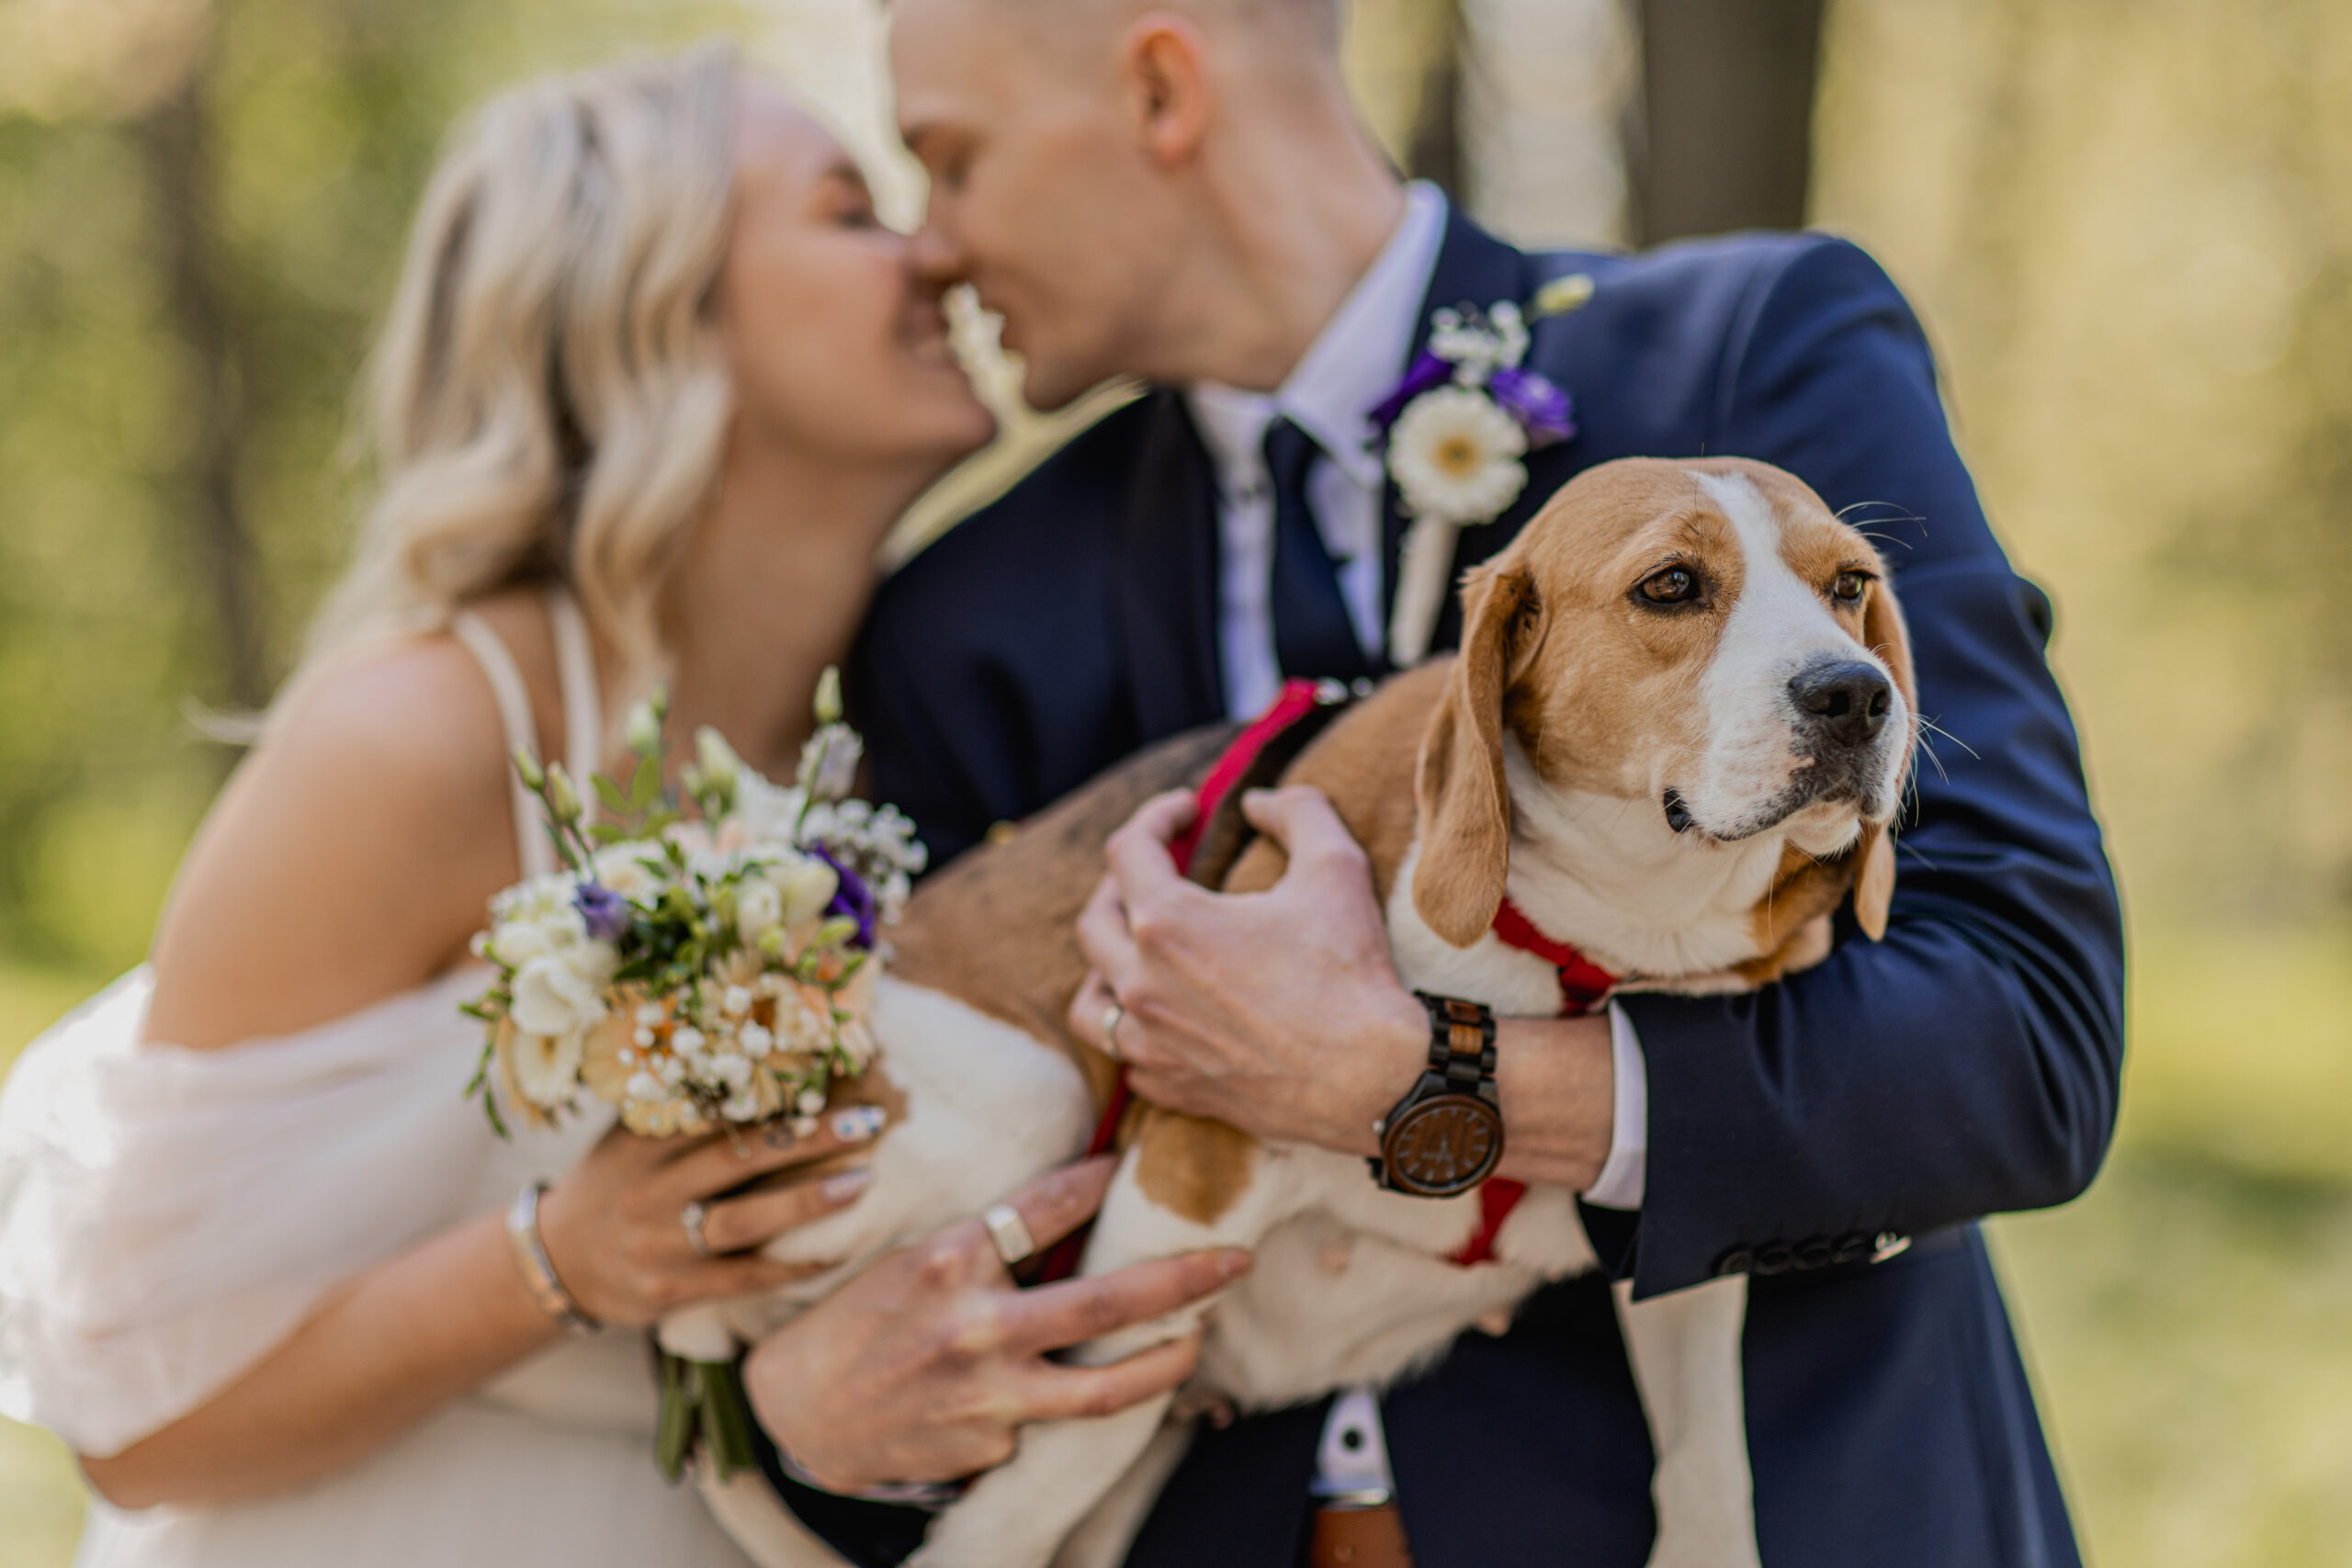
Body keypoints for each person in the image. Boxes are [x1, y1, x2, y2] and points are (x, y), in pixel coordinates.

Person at [763, 0, 2126, 1564]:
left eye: (950, 159)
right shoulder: (963, 617)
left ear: (1158, 87)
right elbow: (886, 1142)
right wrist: (799, 1411)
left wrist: (1420, 1082)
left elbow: (2031, 1038)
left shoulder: (1762, 349)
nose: (928, 247)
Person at [0, 45, 1238, 1568]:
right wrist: (556, 1262)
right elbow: (132, 1420)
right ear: (661, 309)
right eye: (851, 211)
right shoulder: (422, 737)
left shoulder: (913, 736)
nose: (937, 252)